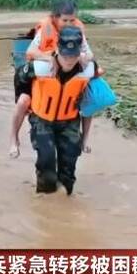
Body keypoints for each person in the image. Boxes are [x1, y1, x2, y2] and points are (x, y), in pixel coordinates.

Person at [8, 0, 96, 158]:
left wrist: (84, 57)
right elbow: (30, 53)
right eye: (65, 20)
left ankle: (85, 139)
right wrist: (52, 58)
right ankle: (14, 138)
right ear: (55, 18)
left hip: (70, 70)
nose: (69, 24)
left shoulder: (77, 30)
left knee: (88, 101)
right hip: (43, 73)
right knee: (23, 101)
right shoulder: (45, 30)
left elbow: (90, 53)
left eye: (72, 20)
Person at [17, 26, 92, 195]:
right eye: (65, 55)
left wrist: (85, 138)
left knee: (69, 168)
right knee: (46, 160)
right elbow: (20, 78)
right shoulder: (40, 67)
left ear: (80, 52)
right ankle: (45, 196)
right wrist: (26, 102)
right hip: (42, 119)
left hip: (69, 121)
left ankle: (64, 201)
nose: (69, 60)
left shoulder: (88, 70)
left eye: (73, 56)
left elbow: (89, 107)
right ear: (58, 49)